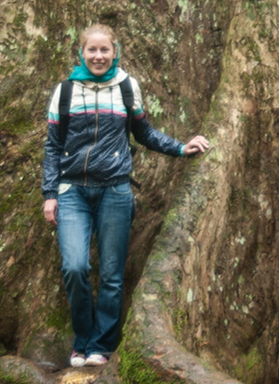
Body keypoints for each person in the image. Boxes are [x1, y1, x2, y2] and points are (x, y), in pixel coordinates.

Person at [42, 24, 210, 368]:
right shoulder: (64, 92)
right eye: (92, 50)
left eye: (105, 50)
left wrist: (180, 147)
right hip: (72, 191)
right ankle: (82, 339)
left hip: (116, 191)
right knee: (75, 267)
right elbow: (53, 146)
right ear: (81, 53)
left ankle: (101, 346)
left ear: (114, 52)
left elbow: (143, 132)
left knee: (112, 275)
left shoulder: (126, 87)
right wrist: (50, 194)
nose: (99, 56)